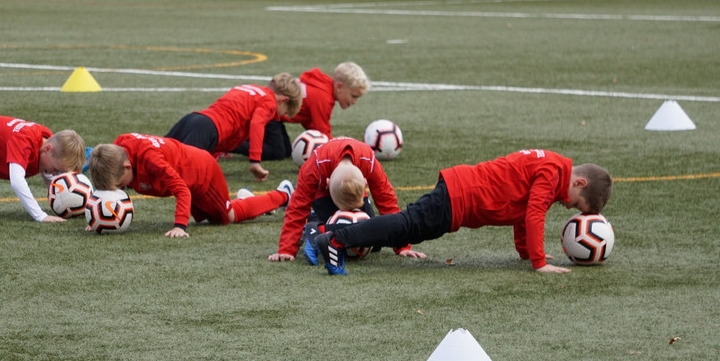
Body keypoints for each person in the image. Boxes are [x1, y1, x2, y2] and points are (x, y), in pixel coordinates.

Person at [314, 149, 612, 275]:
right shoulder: (552, 172)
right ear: (579, 183)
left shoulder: (552, 167)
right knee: (402, 226)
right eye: (576, 204)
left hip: (459, 193)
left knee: (404, 228)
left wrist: (525, 252)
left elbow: (524, 214)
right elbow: (534, 213)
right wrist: (539, 263)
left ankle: (326, 233)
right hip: (459, 197)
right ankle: (336, 240)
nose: (569, 207)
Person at [87, 133, 293, 238]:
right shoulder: (116, 151)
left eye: (119, 185)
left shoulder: (151, 160)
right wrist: (98, 216)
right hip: (189, 170)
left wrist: (179, 226)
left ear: (127, 166)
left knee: (228, 216)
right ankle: (247, 199)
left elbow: (181, 189)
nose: (119, 190)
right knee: (211, 218)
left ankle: (284, 194)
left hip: (203, 175)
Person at [268, 137, 419, 264]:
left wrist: (402, 247)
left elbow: (387, 201)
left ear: (364, 183)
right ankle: (311, 225)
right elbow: (297, 208)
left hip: (351, 181)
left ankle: (321, 224)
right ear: (327, 183)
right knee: (334, 234)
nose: (350, 213)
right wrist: (287, 250)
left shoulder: (369, 162)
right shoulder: (312, 169)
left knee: (374, 240)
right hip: (321, 192)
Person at [165, 73, 302, 181]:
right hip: (208, 129)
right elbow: (257, 124)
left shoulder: (251, 88)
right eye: (285, 112)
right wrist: (255, 161)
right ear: (284, 100)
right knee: (179, 176)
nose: (280, 116)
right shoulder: (269, 101)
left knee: (158, 154)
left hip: (193, 119)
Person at [232, 62, 371, 163]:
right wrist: (340, 150)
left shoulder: (322, 88)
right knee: (277, 152)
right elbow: (322, 132)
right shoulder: (323, 98)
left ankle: (241, 138)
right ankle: (232, 144)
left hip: (276, 117)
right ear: (339, 87)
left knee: (287, 151)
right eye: (354, 96)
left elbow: (310, 122)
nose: (355, 101)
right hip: (271, 114)